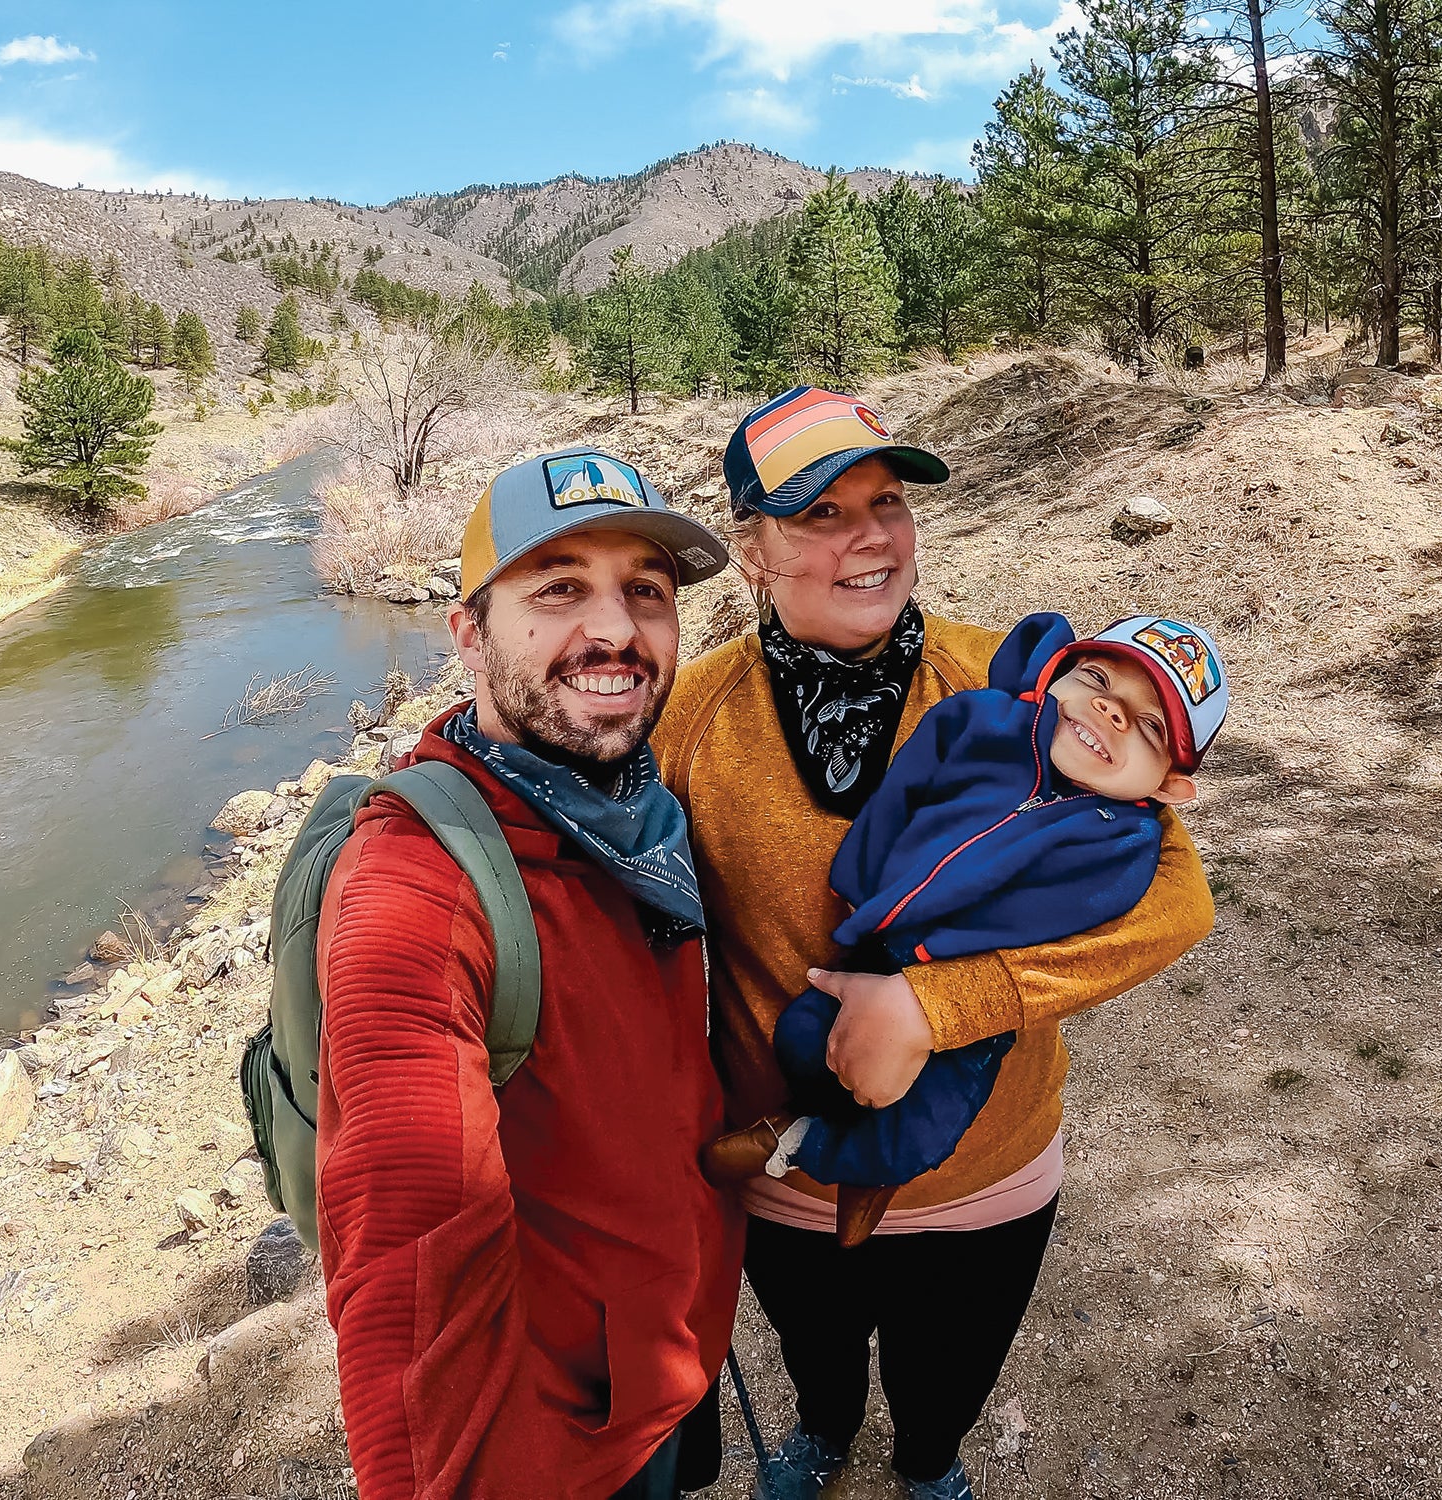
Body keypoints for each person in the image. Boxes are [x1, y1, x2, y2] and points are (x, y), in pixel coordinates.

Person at [652, 387, 1218, 1500]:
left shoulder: (1016, 690)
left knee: (944, 1374)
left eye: (890, 502)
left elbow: (1176, 902)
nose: (872, 536)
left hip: (987, 1166)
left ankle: (928, 1461)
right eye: (822, 513)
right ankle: (820, 1433)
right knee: (817, 1356)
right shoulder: (689, 718)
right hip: (778, 1169)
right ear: (754, 549)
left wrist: (934, 1010)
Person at [315, 448, 742, 1500]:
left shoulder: (636, 806)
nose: (614, 630)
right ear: (467, 634)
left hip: (670, 1344)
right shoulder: (416, 885)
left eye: (645, 590)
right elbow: (406, 1270)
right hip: (567, 1438)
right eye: (558, 590)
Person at [701, 608, 1228, 1246]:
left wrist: (938, 995)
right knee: (802, 1036)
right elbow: (907, 788)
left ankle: (809, 1150)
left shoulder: (1123, 836)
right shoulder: (986, 720)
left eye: (1149, 725)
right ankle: (811, 1124)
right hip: (879, 944)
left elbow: (1103, 916)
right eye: (1096, 679)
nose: (1110, 712)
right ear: (1053, 674)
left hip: (963, 1001)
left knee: (924, 1124)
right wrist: (863, 885)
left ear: (1171, 785)